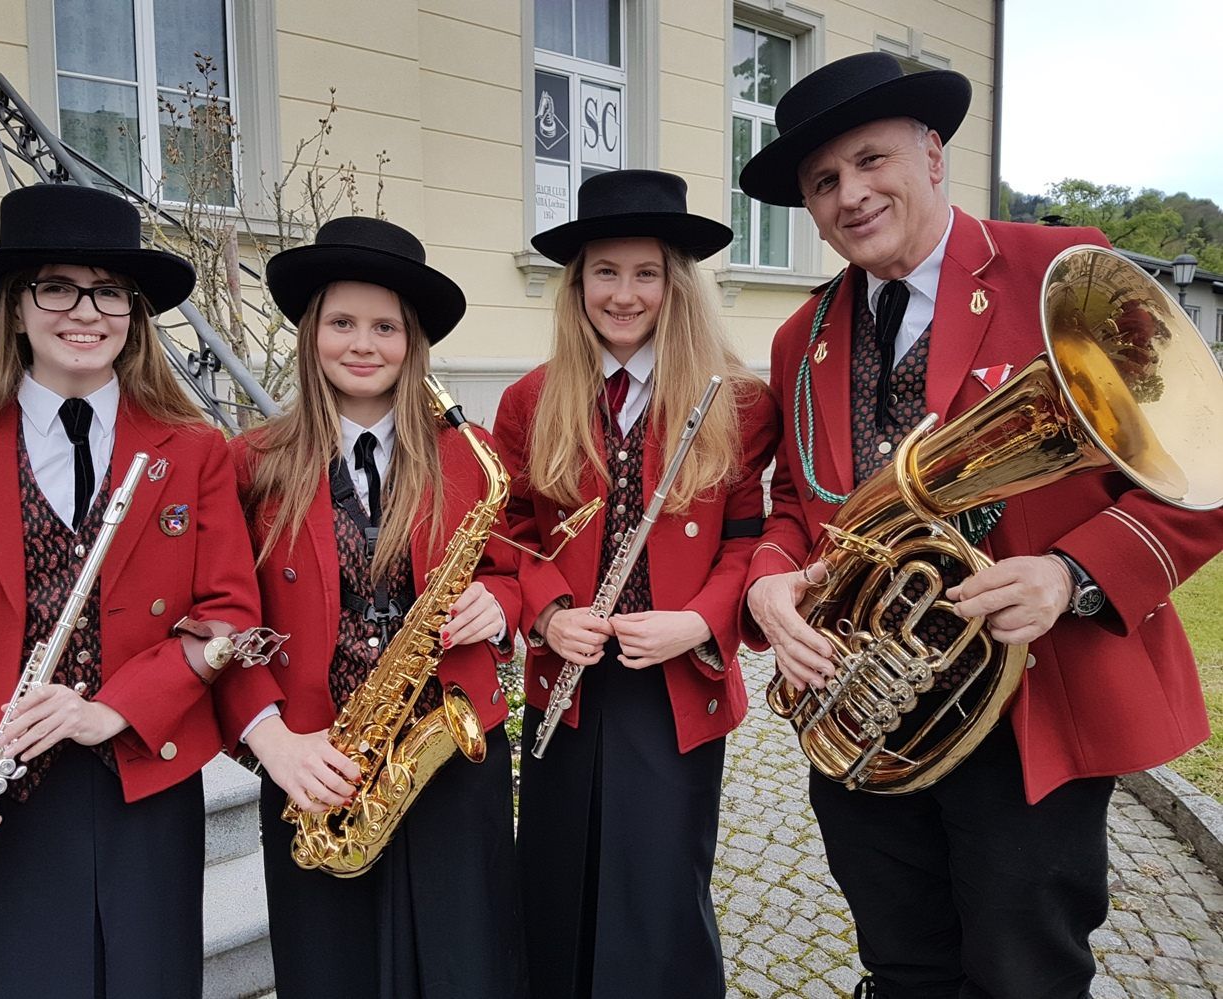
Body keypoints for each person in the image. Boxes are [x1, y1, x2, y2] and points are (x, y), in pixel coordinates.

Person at [738, 52, 1223, 999]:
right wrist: (767, 577)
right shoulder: (802, 336)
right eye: (823, 182)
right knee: (901, 963)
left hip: (1028, 708)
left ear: (931, 155)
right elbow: (798, 500)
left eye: (870, 160)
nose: (850, 194)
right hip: (868, 706)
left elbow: (1200, 465)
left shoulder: (1060, 271)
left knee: (1023, 973)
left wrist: (1070, 575)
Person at [0, 183, 269, 997]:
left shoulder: (193, 451)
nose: (85, 312)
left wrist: (114, 707)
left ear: (133, 312)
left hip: (141, 784)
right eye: (56, 287)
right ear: (14, 307)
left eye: (108, 291)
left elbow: (230, 615)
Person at [215, 216, 526, 999]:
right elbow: (219, 619)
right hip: (318, 763)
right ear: (311, 333)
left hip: (449, 756)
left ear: (412, 341)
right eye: (342, 322)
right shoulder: (251, 462)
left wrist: (499, 604)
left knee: (464, 967)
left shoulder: (471, 454)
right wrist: (271, 740)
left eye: (385, 326)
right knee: (334, 971)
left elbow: (514, 567)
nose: (363, 343)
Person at [492, 169, 779, 999]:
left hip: (675, 681)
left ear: (674, 283)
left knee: (659, 891)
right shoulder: (530, 398)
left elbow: (748, 541)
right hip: (569, 679)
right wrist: (547, 613)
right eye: (605, 272)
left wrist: (699, 621)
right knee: (557, 880)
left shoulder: (736, 400)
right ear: (577, 283)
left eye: (645, 273)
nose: (623, 294)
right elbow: (508, 533)